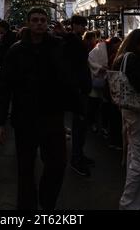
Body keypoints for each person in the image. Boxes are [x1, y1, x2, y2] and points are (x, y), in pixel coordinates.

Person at [0, 8, 80, 210]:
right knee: (25, 168)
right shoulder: (16, 50)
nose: (39, 23)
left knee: (57, 164)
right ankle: (27, 208)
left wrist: (67, 34)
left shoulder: (58, 46)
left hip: (52, 116)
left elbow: (77, 59)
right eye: (35, 20)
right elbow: (4, 86)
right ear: (29, 23)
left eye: (42, 20)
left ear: (47, 23)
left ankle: (47, 202)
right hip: (25, 118)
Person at [112, 29, 140, 210]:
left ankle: (135, 201)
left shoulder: (122, 57)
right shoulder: (133, 59)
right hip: (136, 110)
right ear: (138, 43)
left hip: (126, 109)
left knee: (134, 154)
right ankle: (130, 202)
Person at [64, 15, 92, 176]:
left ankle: (80, 154)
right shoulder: (72, 41)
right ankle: (76, 158)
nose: (84, 28)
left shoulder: (75, 41)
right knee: (79, 125)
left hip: (82, 89)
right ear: (74, 26)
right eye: (82, 25)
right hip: (79, 90)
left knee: (81, 126)